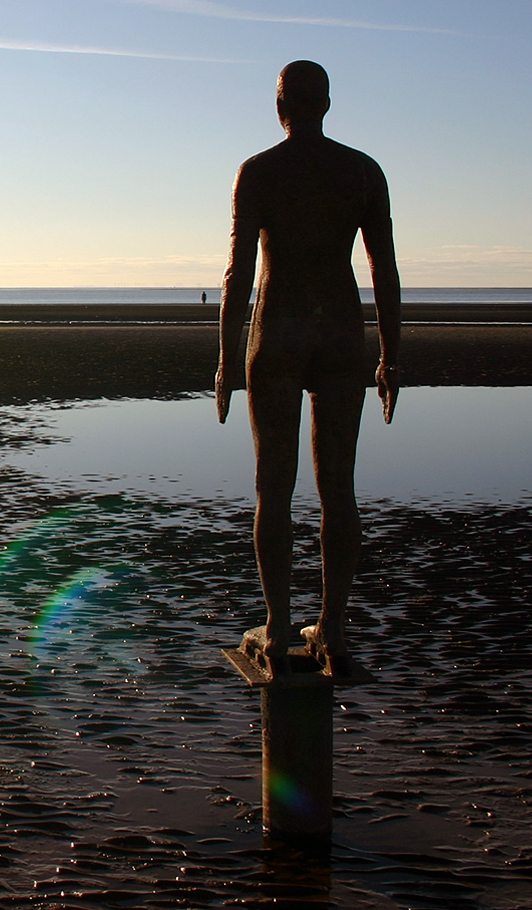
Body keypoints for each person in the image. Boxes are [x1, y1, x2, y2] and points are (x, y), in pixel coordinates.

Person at [216, 61, 400, 679]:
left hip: (279, 331)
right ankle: (334, 628)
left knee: (274, 485)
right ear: (327, 104)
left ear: (279, 107)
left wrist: (223, 361)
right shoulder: (362, 171)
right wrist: (391, 354)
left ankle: (276, 626)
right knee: (337, 486)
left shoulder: (260, 171)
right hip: (342, 332)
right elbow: (384, 271)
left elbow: (239, 274)